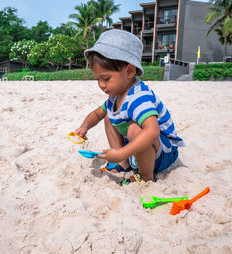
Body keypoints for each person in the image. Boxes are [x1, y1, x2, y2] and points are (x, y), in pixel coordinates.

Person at [75, 29, 185, 182]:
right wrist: (84, 126)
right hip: (144, 145)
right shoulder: (115, 95)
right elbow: (97, 113)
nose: (101, 84)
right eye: (97, 79)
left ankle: (146, 176)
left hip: (164, 152)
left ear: (129, 71)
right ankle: (124, 163)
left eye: (106, 78)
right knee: (109, 115)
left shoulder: (139, 97)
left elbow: (152, 132)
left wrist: (121, 152)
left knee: (134, 129)